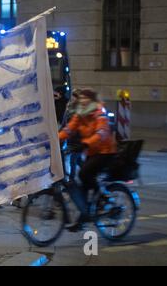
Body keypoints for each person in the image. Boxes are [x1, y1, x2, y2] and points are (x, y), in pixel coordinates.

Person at [59, 88, 117, 231]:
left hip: (106, 151)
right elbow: (68, 129)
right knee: (83, 184)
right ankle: (84, 217)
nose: (83, 101)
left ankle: (102, 198)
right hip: (92, 151)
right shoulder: (80, 114)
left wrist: (85, 143)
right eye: (81, 98)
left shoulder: (99, 113)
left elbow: (102, 133)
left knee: (83, 174)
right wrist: (53, 139)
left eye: (86, 98)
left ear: (92, 100)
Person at [61, 89, 84, 182]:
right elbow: (64, 122)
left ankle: (71, 180)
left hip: (78, 139)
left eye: (75, 96)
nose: (73, 98)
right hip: (71, 139)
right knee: (76, 159)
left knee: (73, 160)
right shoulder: (69, 107)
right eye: (73, 96)